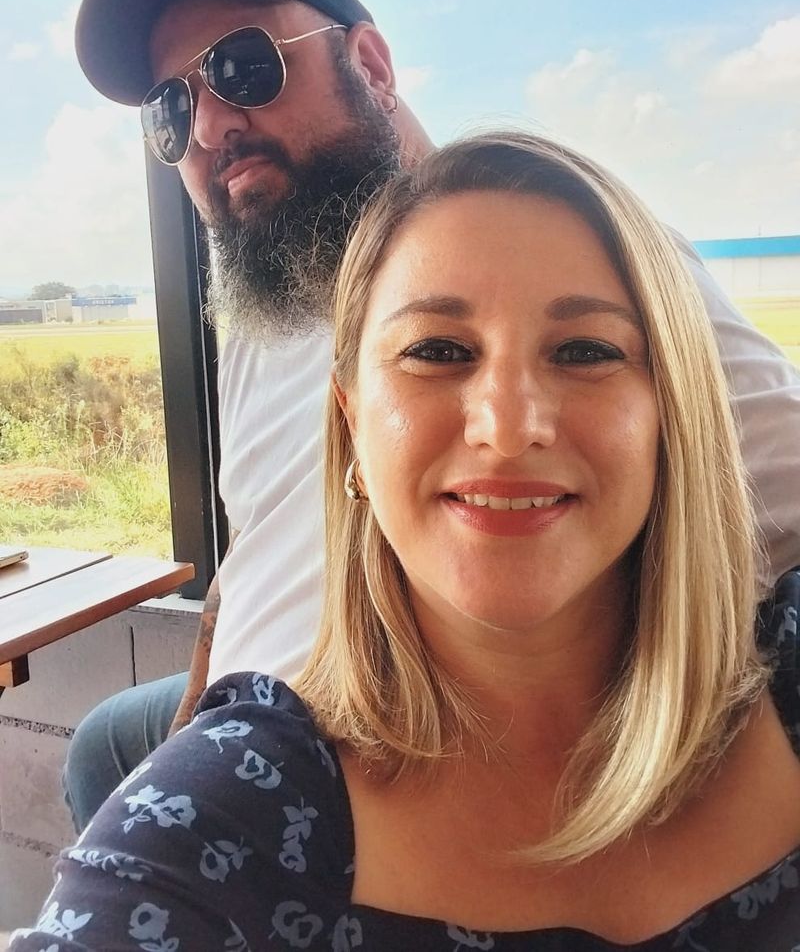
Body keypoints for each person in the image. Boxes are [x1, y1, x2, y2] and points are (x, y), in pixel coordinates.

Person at [63, 0, 800, 833]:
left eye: (243, 68)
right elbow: (247, 551)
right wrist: (191, 738)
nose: (210, 126)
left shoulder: (572, 263)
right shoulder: (265, 313)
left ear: (371, 65)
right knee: (105, 745)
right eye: (171, 110)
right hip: (245, 719)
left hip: (383, 778)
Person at [10, 132, 800, 950]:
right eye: (437, 351)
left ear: (674, 411)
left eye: (584, 351)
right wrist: (196, 739)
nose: (506, 427)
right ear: (351, 422)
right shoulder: (215, 828)